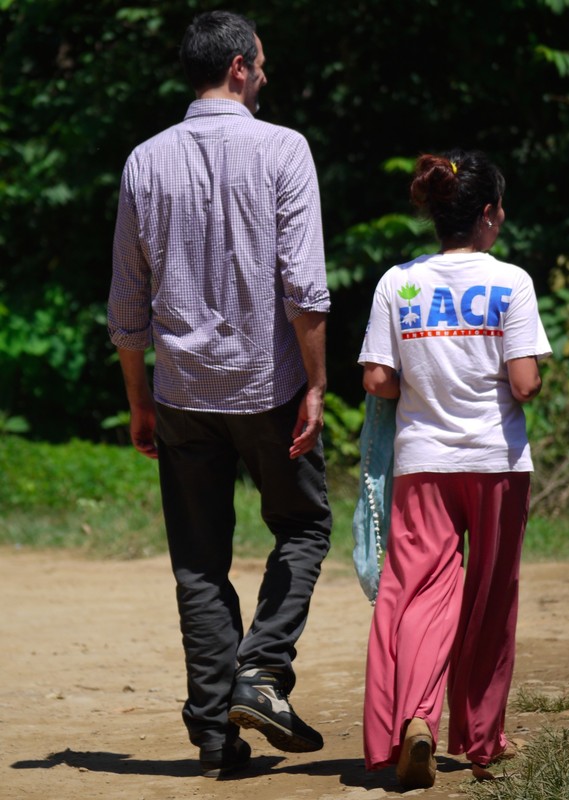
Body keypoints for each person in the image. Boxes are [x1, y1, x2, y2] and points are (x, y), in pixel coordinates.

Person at [107, 10, 332, 779]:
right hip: (269, 384)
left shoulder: (144, 161)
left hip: (182, 393)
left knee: (199, 563)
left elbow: (127, 305)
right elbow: (304, 287)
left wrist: (140, 398)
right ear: (239, 66)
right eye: (261, 63)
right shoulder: (284, 150)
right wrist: (317, 385)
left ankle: (213, 734)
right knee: (302, 528)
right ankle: (262, 673)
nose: (265, 74)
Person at [358, 150, 551, 790]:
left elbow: (379, 379)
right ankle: (481, 740)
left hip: (422, 465)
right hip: (496, 463)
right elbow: (524, 382)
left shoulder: (397, 282)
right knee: (491, 601)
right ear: (489, 216)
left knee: (415, 594)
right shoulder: (512, 283)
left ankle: (410, 721)